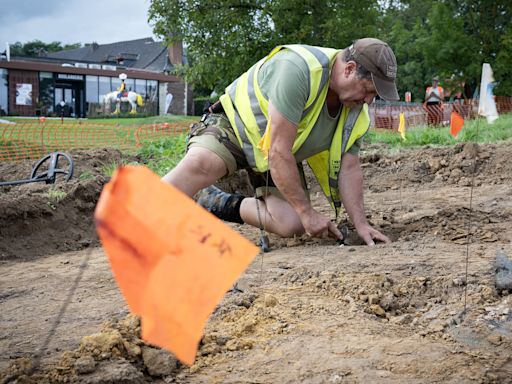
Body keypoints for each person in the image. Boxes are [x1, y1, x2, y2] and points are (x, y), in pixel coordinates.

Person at [162, 38, 399, 246]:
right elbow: (277, 150)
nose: (369, 101)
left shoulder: (355, 111)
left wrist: (361, 225)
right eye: (368, 91)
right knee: (202, 163)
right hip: (236, 127)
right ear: (349, 69)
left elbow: (349, 168)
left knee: (290, 223)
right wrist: (308, 211)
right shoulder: (299, 69)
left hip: (273, 155)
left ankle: (210, 200)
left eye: (374, 97)